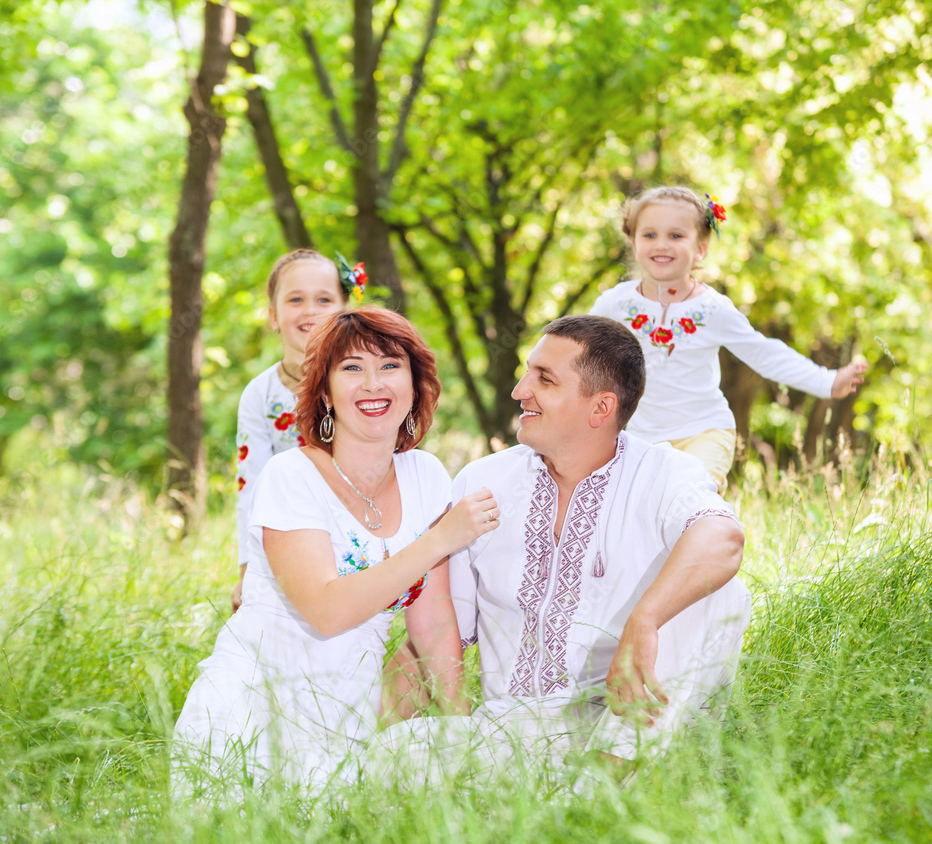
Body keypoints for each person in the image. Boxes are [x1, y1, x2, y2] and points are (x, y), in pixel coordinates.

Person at [402, 315, 752, 779]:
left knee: (719, 592)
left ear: (600, 408)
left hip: (626, 723)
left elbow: (723, 537)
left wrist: (644, 621)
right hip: (510, 729)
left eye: (544, 379)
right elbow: (436, 632)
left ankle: (598, 790)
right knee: (393, 753)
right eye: (528, 372)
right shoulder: (484, 482)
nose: (520, 390)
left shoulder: (663, 474)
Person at [173, 307, 499, 796]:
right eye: (352, 368)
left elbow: (432, 621)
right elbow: (326, 610)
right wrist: (439, 539)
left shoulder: (426, 476)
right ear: (324, 391)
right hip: (253, 710)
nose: (374, 383)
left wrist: (461, 732)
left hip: (349, 712)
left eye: (391, 366)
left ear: (415, 386)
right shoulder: (290, 477)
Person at [589, 185, 867, 490]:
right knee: (645, 514)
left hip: (704, 431)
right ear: (633, 241)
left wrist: (826, 381)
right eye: (650, 235)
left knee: (693, 495)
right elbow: (574, 348)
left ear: (700, 248)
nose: (662, 245)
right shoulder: (615, 304)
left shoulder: (712, 309)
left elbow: (764, 353)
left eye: (676, 236)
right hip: (643, 439)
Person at [232, 249, 356, 613]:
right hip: (287, 533)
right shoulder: (260, 393)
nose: (310, 310)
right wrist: (246, 566)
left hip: (357, 525)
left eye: (324, 299)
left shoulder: (363, 382)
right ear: (273, 315)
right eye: (295, 299)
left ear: (345, 309)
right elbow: (250, 483)